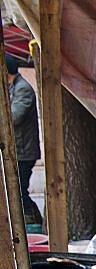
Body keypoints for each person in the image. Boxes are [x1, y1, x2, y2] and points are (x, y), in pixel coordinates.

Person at [5, 54, 43, 228]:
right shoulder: (12, 87)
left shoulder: (22, 89)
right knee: (17, 191)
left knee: (20, 192)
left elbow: (14, 117)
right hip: (18, 151)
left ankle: (35, 222)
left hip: (24, 152)